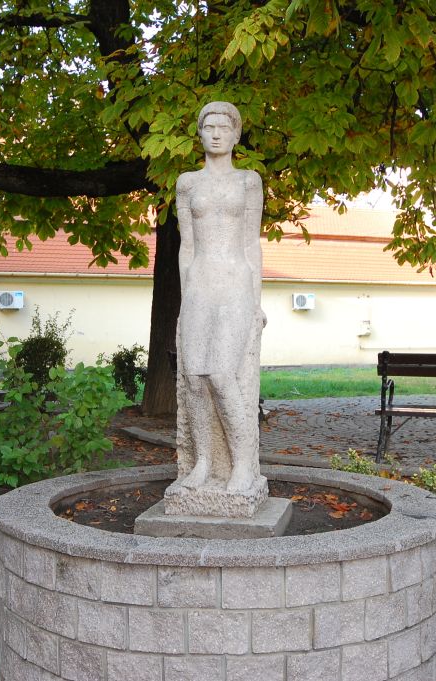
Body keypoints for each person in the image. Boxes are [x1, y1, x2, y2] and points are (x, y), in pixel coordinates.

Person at [174, 101, 265, 495]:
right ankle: (203, 463)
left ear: (235, 135)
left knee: (222, 375)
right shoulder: (187, 183)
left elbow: (252, 243)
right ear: (199, 133)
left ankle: (243, 465)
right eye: (208, 127)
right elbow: (186, 246)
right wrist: (184, 301)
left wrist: (257, 302)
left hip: (235, 285)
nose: (215, 134)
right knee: (194, 378)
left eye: (223, 128)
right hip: (199, 286)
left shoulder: (248, 181)